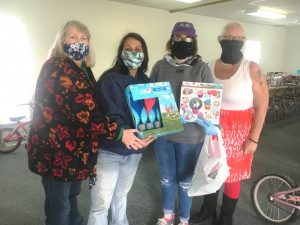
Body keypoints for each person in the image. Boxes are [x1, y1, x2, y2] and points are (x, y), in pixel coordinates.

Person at [26, 20, 140, 225]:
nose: (79, 42)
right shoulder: (58, 68)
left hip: (74, 151)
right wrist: (120, 133)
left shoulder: (83, 69)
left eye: (83, 38)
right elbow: (83, 112)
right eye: (73, 37)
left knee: (69, 198)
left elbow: (93, 106)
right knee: (58, 206)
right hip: (56, 151)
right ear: (62, 41)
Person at [189, 22, 269, 225]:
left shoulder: (252, 69)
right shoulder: (208, 66)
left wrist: (254, 138)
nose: (232, 42)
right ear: (219, 39)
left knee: (232, 177)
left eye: (237, 39)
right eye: (228, 38)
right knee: (211, 170)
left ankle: (226, 216)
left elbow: (262, 105)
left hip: (240, 133)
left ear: (244, 41)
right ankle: (208, 209)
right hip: (212, 130)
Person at [150, 22, 214, 225]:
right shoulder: (160, 66)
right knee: (167, 179)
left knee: (186, 182)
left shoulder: (202, 69)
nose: (182, 41)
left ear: (194, 42)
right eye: (178, 37)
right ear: (171, 40)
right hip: (164, 136)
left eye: (188, 38)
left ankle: (184, 220)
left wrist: (209, 121)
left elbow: (210, 103)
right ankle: (168, 216)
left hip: (191, 136)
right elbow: (149, 95)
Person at [87, 32, 154, 225]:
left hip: (134, 151)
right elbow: (107, 115)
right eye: (128, 49)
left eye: (138, 49)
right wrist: (122, 133)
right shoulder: (110, 79)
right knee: (101, 203)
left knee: (121, 196)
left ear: (144, 54)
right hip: (111, 150)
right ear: (120, 53)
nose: (133, 53)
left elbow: (152, 115)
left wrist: (155, 132)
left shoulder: (144, 79)